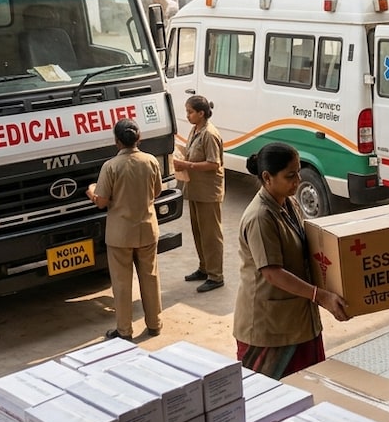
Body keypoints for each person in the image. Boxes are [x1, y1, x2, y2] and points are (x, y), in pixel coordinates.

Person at [235, 142, 350, 377]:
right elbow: (272, 273)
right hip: (269, 328)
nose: (298, 180)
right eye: (290, 176)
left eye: (298, 172)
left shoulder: (289, 203)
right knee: (276, 393)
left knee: (310, 385)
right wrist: (320, 295)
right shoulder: (260, 217)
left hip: (298, 319)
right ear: (267, 177)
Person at [87, 119, 164, 340]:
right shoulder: (150, 161)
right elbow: (157, 191)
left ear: (117, 141)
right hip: (147, 228)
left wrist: (92, 191)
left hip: (120, 234)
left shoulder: (111, 166)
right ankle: (155, 324)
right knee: (150, 277)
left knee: (122, 283)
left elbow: (102, 201)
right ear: (139, 138)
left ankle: (124, 330)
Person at [173, 95, 225, 293]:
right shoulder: (196, 129)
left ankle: (216, 275)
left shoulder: (209, 134)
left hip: (208, 192)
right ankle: (204, 268)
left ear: (201, 113)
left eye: (190, 112)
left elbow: (213, 163)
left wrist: (186, 164)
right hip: (195, 189)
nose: (187, 116)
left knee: (211, 235)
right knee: (199, 232)